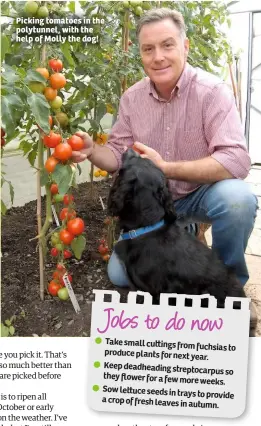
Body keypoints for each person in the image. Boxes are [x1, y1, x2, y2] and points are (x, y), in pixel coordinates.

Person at [72, 8, 258, 288]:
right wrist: (91, 151)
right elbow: (117, 154)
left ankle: (229, 284)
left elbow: (236, 161)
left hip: (199, 195)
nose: (158, 57)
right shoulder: (132, 99)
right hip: (151, 209)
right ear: (141, 55)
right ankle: (184, 232)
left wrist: (167, 169)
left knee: (238, 200)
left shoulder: (212, 93)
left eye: (167, 45)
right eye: (148, 49)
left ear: (185, 46)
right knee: (120, 275)